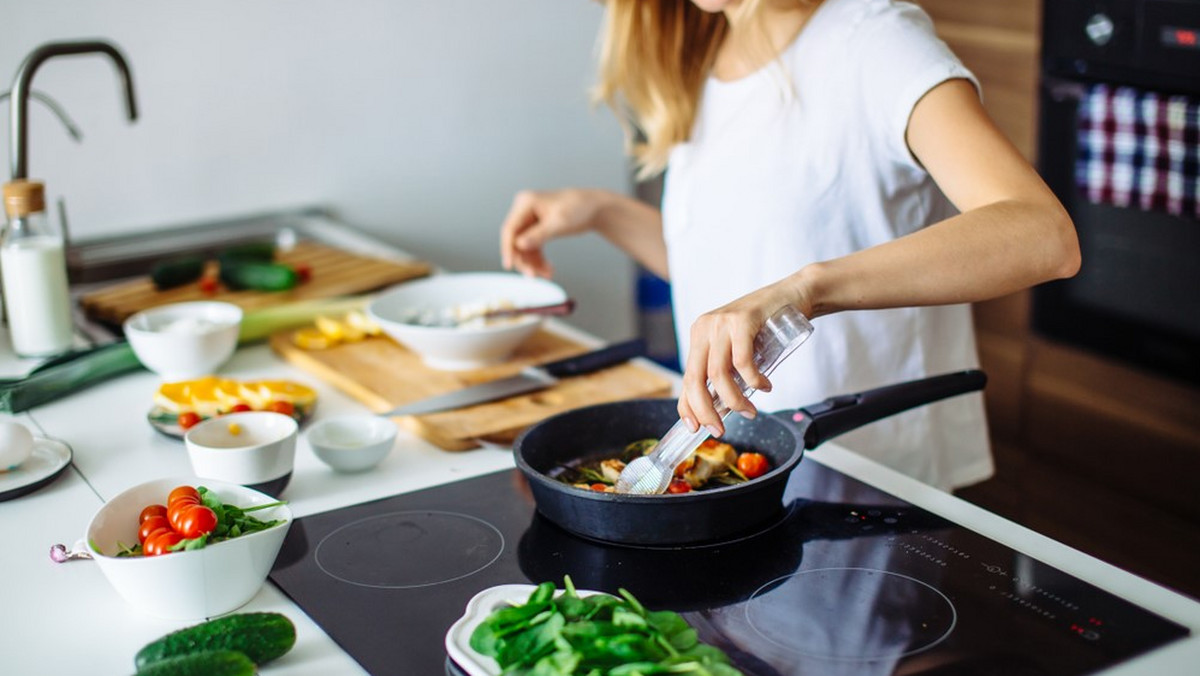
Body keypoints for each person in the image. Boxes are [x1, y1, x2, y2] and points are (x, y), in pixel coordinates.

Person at [499, 0, 1080, 491]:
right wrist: (603, 212)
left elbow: (1042, 234)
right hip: (745, 473)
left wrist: (806, 290)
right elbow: (732, 274)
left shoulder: (876, 41)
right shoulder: (709, 55)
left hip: (871, 478)